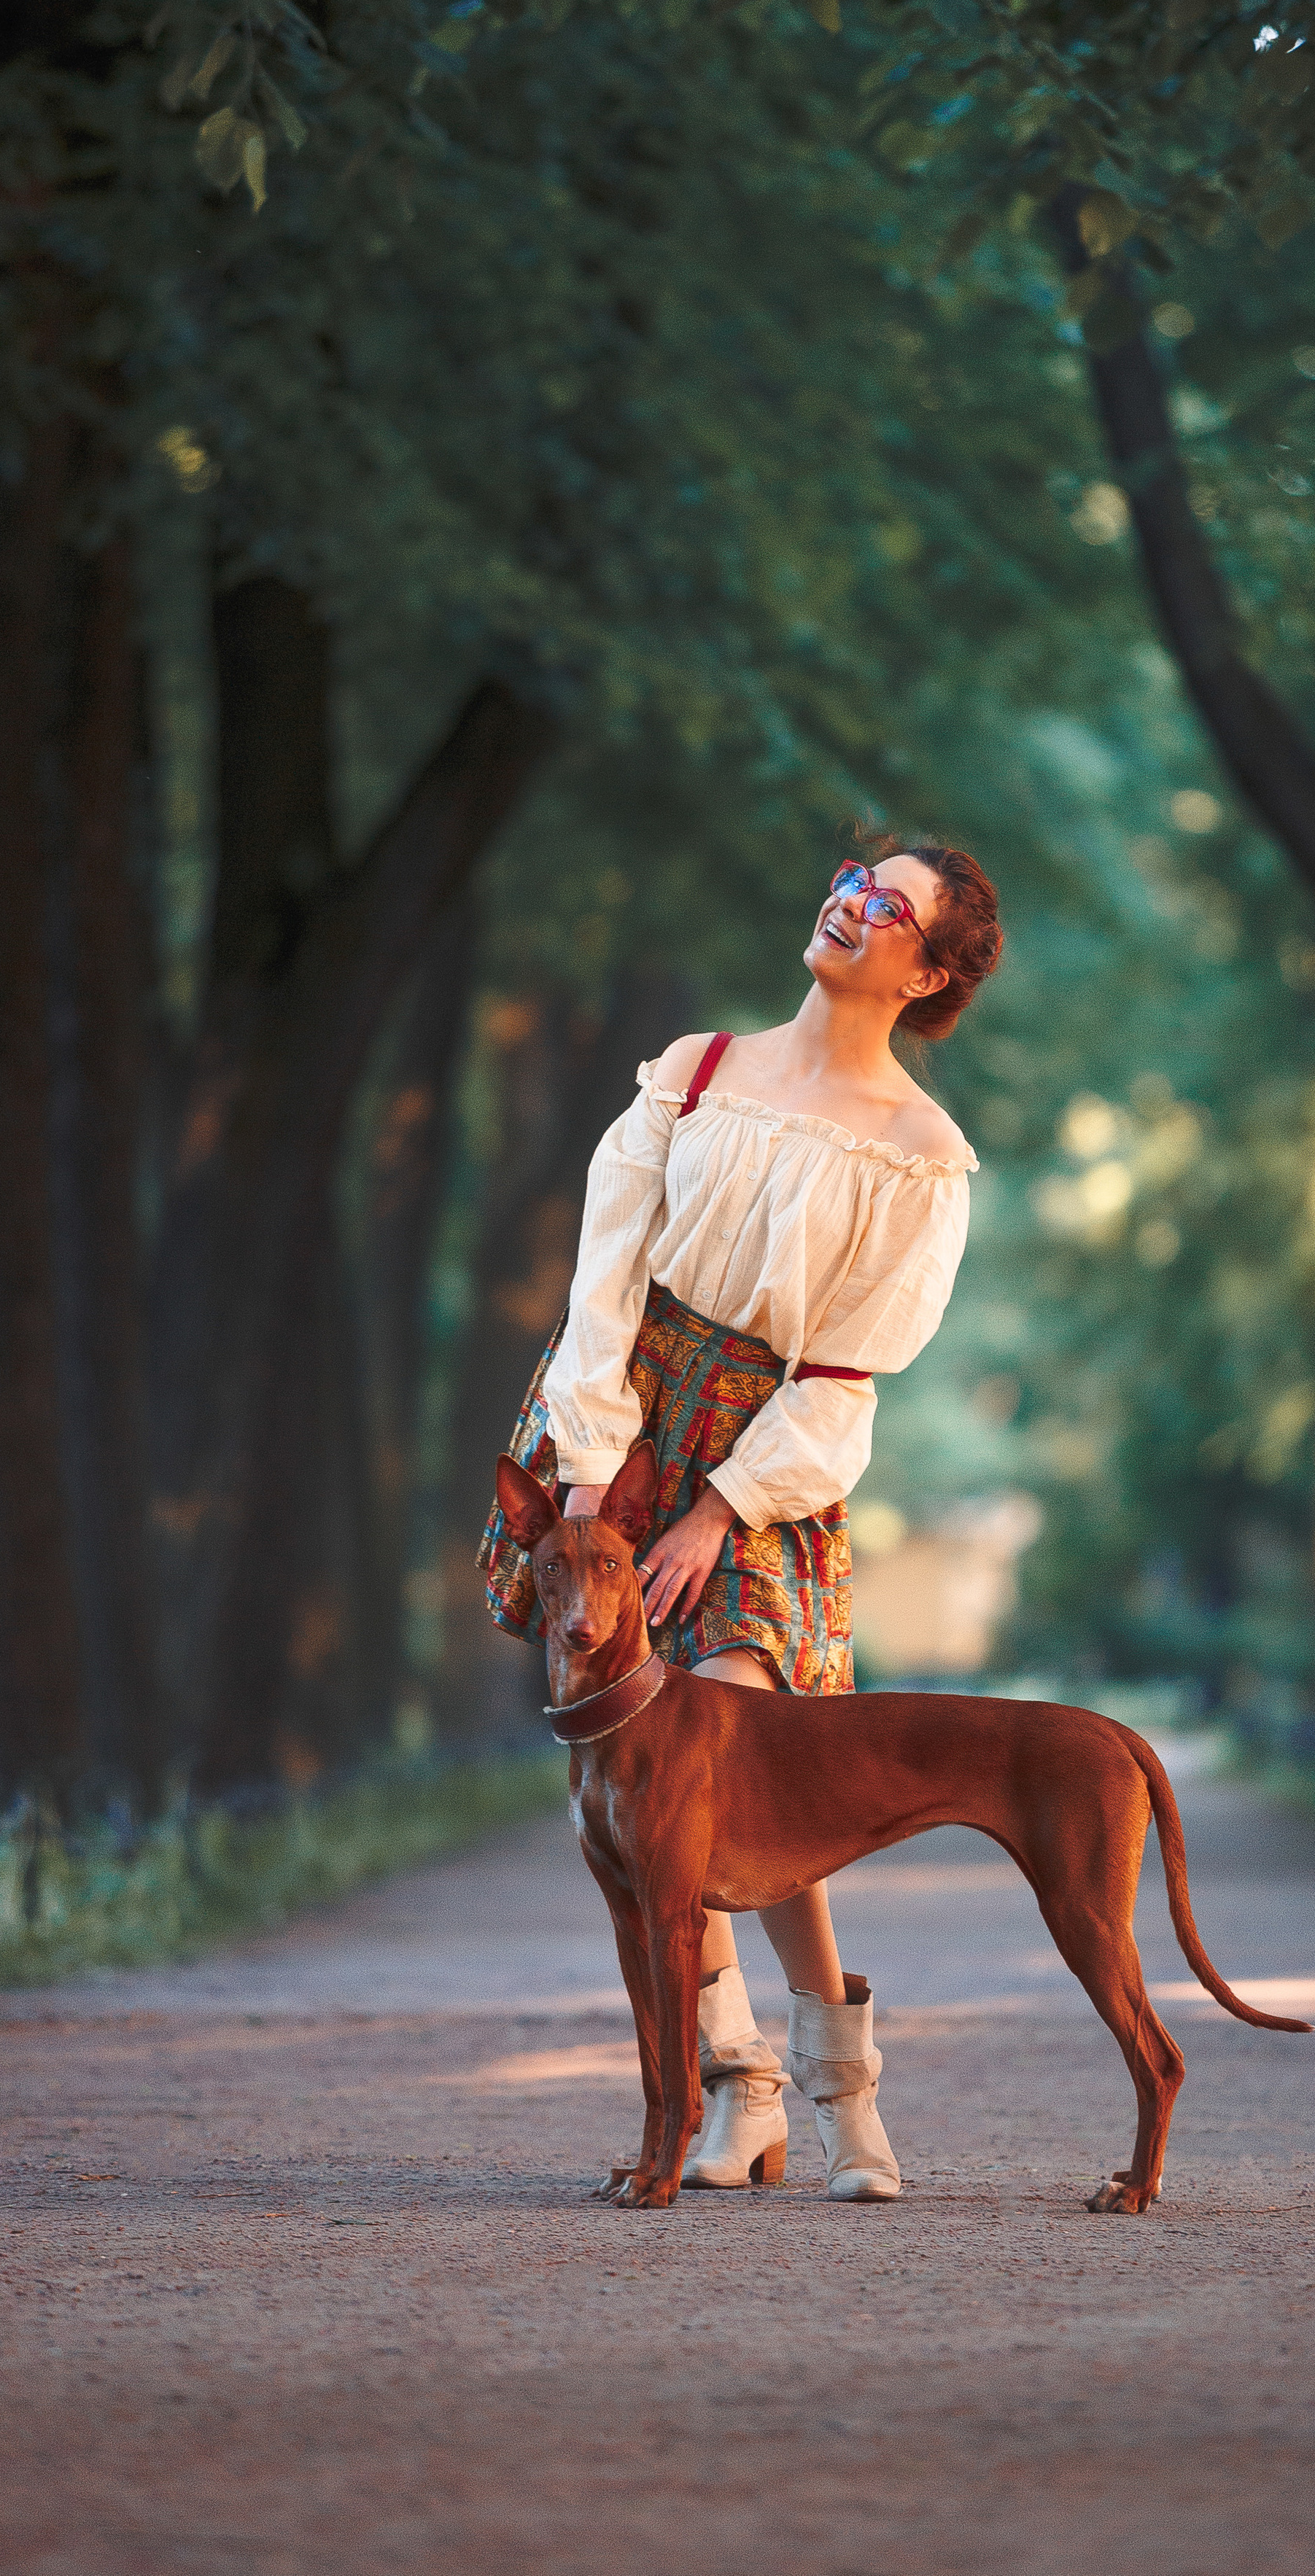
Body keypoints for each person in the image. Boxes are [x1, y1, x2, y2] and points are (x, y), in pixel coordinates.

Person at [478, 838, 1002, 2199]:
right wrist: (593, 1468)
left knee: (749, 1746)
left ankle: (844, 2091)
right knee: (656, 1780)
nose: (850, 905)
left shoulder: (923, 1159)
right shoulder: (696, 1071)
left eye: (891, 907)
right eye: (850, 879)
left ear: (932, 971)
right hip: (622, 1413)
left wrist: (720, 1507)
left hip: (769, 1455)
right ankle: (740, 2091)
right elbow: (605, 1280)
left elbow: (847, 1364)